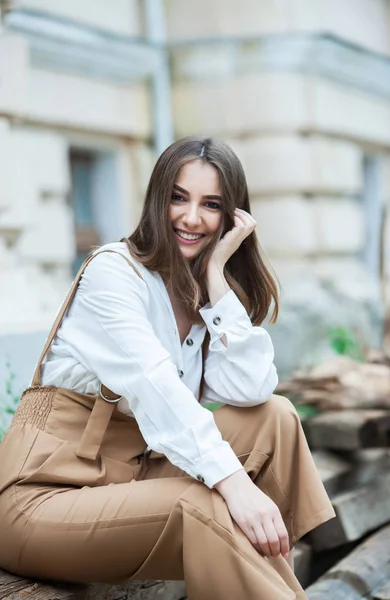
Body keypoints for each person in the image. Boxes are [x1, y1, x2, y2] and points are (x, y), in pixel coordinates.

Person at [0, 136, 334, 599]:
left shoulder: (192, 294)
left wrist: (217, 275)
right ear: (158, 198)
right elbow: (157, 389)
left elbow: (253, 386)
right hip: (40, 502)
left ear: (229, 215)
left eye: (211, 204)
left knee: (275, 417)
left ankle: (280, 585)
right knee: (206, 502)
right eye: (179, 197)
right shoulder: (112, 273)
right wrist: (235, 485)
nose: (191, 217)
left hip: (131, 480)